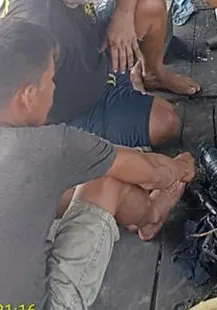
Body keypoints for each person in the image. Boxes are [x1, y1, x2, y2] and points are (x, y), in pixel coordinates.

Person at [0, 17, 195, 308]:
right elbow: (152, 173)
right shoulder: (53, 145)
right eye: (51, 80)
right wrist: (181, 167)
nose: (54, 89)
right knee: (106, 177)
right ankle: (151, 217)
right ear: (27, 95)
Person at [1, 0, 200, 148]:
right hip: (72, 109)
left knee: (149, 3)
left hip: (92, 53)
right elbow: (19, 111)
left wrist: (123, 17)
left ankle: (151, 74)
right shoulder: (38, 27)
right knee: (166, 122)